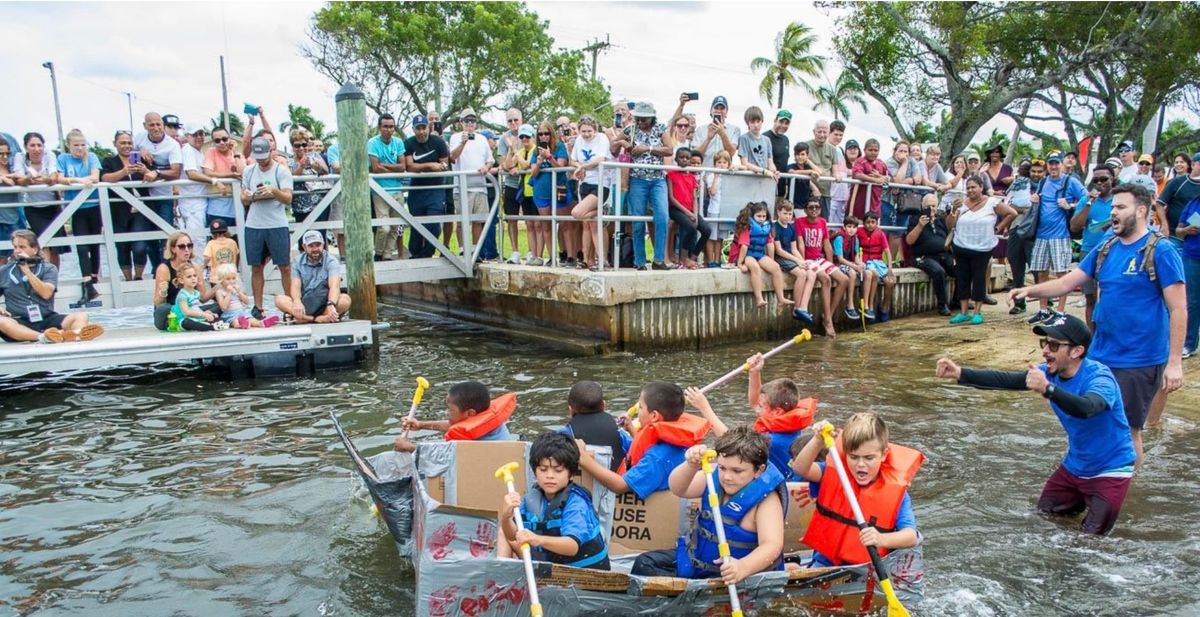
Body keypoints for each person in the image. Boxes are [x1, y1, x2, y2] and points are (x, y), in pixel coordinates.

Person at [1010, 184, 1185, 465]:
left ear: (1141, 211)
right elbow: (1068, 282)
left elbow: (1178, 308)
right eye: (1113, 207)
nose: (1113, 212)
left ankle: (1124, 491)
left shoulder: (1161, 251)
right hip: (1101, 354)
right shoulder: (1106, 248)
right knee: (1093, 421)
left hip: (1139, 358)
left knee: (1128, 430)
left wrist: (1175, 361)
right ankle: (1092, 477)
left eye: (1121, 207)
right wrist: (1030, 291)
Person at [935, 314, 1135, 535]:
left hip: (1111, 470)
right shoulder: (1049, 373)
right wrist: (960, 373)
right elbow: (1005, 381)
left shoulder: (1099, 378)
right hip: (1074, 467)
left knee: (1090, 543)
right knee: (1041, 521)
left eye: (1054, 345)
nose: (1045, 350)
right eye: (1044, 343)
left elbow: (1087, 408)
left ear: (1076, 351)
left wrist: (1048, 390)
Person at [630, 425, 786, 584]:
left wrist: (743, 567)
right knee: (644, 563)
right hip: (697, 561)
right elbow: (678, 489)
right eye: (723, 468)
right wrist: (690, 466)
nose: (727, 477)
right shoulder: (713, 477)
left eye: (737, 471)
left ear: (759, 470)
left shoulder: (766, 501)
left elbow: (772, 545)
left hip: (731, 573)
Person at [790, 413, 923, 568]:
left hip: (868, 569)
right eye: (853, 457)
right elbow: (800, 468)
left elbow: (910, 536)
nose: (860, 464)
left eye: (868, 458)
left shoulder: (898, 495)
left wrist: (881, 539)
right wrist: (818, 440)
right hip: (825, 562)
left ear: (883, 455)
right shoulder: (834, 472)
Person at [579, 381, 711, 500]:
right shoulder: (675, 443)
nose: (637, 411)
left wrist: (584, 459)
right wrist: (630, 428)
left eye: (641, 407)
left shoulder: (657, 458)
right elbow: (646, 447)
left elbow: (620, 486)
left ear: (654, 416)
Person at [497, 432, 610, 569]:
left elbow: (572, 547)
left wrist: (536, 539)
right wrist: (506, 516)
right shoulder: (531, 499)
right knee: (503, 530)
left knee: (526, 537)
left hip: (581, 573)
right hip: (551, 563)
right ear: (535, 472)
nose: (550, 476)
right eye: (543, 469)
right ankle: (500, 577)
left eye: (558, 470)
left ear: (571, 474)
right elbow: (513, 535)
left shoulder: (576, 503)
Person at [0, 230, 103, 343]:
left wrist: (27, 272)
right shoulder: (5, 271)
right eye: (15, 247)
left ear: (34, 250)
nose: (17, 251)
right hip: (19, 321)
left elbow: (46, 293)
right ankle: (44, 337)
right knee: (2, 321)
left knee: (81, 316)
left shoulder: (48, 269)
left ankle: (76, 334)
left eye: (22, 247)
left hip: (47, 318)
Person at [948, 176, 1018, 325]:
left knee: (979, 278)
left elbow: (1012, 213)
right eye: (968, 188)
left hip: (983, 247)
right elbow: (950, 225)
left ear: (981, 187)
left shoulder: (992, 202)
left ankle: (977, 312)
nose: (970, 190)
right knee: (962, 279)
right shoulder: (961, 205)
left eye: (973, 187)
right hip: (961, 245)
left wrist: (999, 227)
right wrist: (953, 210)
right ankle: (964, 312)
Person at [1027, 152, 1086, 325]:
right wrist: (1034, 199)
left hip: (1060, 235)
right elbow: (1037, 201)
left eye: (1056, 163)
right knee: (1041, 272)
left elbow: (1086, 196)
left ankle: (1060, 311)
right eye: (1050, 164)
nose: (1053, 167)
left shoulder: (1070, 181)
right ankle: (1043, 309)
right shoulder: (1043, 182)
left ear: (1061, 164)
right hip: (1041, 234)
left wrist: (1071, 206)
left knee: (1062, 274)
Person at [611, 102, 672, 271]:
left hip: (657, 179)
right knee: (637, 221)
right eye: (638, 118)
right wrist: (622, 143)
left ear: (652, 118)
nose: (640, 122)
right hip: (637, 179)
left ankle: (659, 259)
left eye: (644, 119)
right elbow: (613, 149)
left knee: (662, 217)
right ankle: (639, 261)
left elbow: (670, 149)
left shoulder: (660, 128)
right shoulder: (630, 129)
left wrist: (649, 148)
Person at [240, 137, 294, 315]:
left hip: (277, 223)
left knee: (284, 265)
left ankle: (290, 302)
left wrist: (273, 191)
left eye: (264, 156)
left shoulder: (281, 171)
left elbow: (288, 198)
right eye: (258, 157)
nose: (261, 161)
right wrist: (251, 195)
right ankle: (258, 306)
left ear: (271, 152)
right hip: (254, 224)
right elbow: (243, 198)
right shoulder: (249, 171)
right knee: (256, 266)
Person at [394, 381, 516, 452]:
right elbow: (457, 426)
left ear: (470, 413)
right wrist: (420, 425)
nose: (447, 412)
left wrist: (408, 446)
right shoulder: (484, 419)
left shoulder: (476, 443)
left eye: (450, 410)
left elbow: (442, 456)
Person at [99, 130, 153, 282]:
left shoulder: (141, 158)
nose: (126, 146)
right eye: (122, 143)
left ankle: (138, 276)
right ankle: (128, 279)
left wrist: (145, 170)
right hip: (119, 210)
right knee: (122, 247)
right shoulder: (109, 161)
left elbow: (153, 175)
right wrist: (124, 172)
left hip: (141, 208)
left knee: (140, 246)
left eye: (129, 143)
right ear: (115, 144)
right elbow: (104, 178)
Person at [57, 129, 103, 302]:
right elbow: (60, 178)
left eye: (83, 144)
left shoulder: (91, 157)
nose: (80, 148)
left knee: (94, 245)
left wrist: (85, 180)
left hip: (94, 206)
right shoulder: (63, 159)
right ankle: (87, 282)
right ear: (69, 145)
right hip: (76, 208)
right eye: (76, 145)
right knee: (82, 247)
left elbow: (95, 177)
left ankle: (93, 278)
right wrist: (79, 181)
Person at [1069, 165, 1116, 328]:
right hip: (1089, 251)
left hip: (1114, 252)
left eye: (1104, 179)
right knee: (1090, 297)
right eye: (1096, 180)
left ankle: (1108, 333)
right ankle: (1092, 336)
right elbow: (1075, 226)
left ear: (1112, 179)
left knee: (1110, 296)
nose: (1099, 183)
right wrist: (1089, 203)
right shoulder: (1086, 200)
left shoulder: (1119, 199)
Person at [795, 199, 850, 337]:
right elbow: (800, 244)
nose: (814, 209)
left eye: (817, 207)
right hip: (807, 259)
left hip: (820, 259)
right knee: (826, 279)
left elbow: (827, 245)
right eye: (811, 207)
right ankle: (829, 322)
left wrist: (831, 265)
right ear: (806, 210)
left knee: (844, 279)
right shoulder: (800, 222)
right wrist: (803, 263)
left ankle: (828, 316)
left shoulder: (822, 222)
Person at [448, 108, 495, 263]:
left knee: (478, 221)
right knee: (462, 221)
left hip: (480, 186)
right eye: (467, 121)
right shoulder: (455, 137)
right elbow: (452, 157)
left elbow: (490, 160)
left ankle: (476, 251)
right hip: (462, 187)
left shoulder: (482, 139)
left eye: (472, 121)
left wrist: (486, 168)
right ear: (461, 122)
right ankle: (463, 251)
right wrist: (463, 142)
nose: (470, 124)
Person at [274, 230, 351, 324]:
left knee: (345, 300)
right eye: (311, 246)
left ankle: (301, 318)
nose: (315, 249)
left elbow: (334, 286)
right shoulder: (297, 261)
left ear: (323, 245)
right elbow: (295, 286)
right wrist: (297, 302)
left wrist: (331, 304)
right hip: (305, 303)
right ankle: (317, 319)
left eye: (318, 245)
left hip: (325, 303)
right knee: (279, 299)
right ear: (304, 247)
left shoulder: (331, 261)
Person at [134, 113, 183, 259]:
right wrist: (138, 152)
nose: (156, 128)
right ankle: (156, 269)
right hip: (144, 195)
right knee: (149, 238)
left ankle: (166, 267)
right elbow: (132, 163)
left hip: (164, 195)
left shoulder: (172, 144)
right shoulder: (139, 139)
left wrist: (156, 173)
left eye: (158, 124)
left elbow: (176, 172)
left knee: (166, 235)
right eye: (151, 125)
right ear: (145, 126)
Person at [403, 114, 451, 260]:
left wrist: (436, 167)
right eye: (418, 128)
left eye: (424, 128)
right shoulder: (409, 143)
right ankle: (416, 254)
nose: (421, 132)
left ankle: (427, 253)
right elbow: (410, 166)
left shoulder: (438, 142)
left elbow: (444, 164)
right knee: (416, 224)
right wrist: (430, 165)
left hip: (435, 188)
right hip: (416, 189)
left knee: (434, 224)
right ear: (413, 129)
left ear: (428, 128)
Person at [11, 133, 63, 267]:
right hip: (33, 207)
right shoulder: (20, 157)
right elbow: (19, 179)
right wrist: (28, 179)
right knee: (43, 243)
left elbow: (53, 176)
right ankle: (44, 275)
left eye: (39, 145)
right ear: (25, 147)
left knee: (55, 248)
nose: (36, 149)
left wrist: (45, 180)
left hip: (53, 205)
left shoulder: (49, 155)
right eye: (32, 145)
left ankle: (54, 279)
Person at [569, 116, 612, 270]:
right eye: (583, 131)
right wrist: (578, 166)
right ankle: (590, 260)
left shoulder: (601, 138)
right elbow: (572, 159)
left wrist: (583, 167)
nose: (586, 134)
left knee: (577, 213)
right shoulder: (579, 140)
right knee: (590, 224)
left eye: (589, 131)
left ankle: (602, 259)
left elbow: (601, 158)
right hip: (584, 184)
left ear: (595, 129)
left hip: (600, 184)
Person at [731, 202, 792, 309]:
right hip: (747, 255)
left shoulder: (766, 226)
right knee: (755, 268)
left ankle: (781, 299)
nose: (762, 218)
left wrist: (771, 260)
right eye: (758, 216)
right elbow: (744, 246)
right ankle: (759, 299)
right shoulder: (748, 226)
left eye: (764, 216)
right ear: (752, 216)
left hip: (759, 254)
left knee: (776, 268)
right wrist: (740, 263)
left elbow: (770, 245)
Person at [905, 193, 956, 316]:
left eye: (933, 206)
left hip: (943, 254)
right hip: (923, 256)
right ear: (922, 207)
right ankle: (942, 305)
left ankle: (957, 301)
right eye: (928, 206)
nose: (931, 209)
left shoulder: (940, 219)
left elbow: (950, 232)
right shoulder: (916, 219)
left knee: (962, 268)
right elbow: (909, 241)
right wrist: (920, 226)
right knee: (939, 272)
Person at [561, 380, 627, 473]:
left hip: (577, 486)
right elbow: (633, 450)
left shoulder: (563, 434)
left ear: (570, 410)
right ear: (604, 405)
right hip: (614, 483)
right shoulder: (618, 431)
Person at [529, 120, 570, 266]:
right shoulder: (535, 151)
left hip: (558, 189)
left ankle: (567, 255)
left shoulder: (559, 147)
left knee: (564, 224)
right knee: (546, 225)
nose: (543, 137)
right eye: (540, 134)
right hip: (541, 192)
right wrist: (539, 163)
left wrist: (549, 157)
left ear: (551, 134)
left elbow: (561, 166)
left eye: (546, 133)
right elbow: (533, 174)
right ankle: (552, 256)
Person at [368, 114, 407, 261]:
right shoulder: (372, 143)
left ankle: (388, 255)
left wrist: (383, 166)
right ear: (379, 128)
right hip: (379, 190)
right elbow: (375, 168)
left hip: (397, 189)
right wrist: (393, 169)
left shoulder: (398, 142)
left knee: (396, 226)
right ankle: (378, 253)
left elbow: (403, 166)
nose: (388, 129)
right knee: (384, 227)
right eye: (385, 126)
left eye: (391, 126)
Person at [666, 147, 710, 269]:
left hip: (691, 210)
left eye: (687, 158)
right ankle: (683, 258)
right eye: (681, 157)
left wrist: (695, 214)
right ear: (676, 159)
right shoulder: (671, 174)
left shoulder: (692, 177)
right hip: (676, 209)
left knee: (706, 230)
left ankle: (692, 258)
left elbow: (694, 197)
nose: (684, 160)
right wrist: (687, 213)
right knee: (691, 227)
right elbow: (672, 198)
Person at [772, 200, 816, 324]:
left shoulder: (791, 228)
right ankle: (796, 309)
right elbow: (779, 250)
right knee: (801, 274)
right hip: (780, 258)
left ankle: (803, 307)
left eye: (790, 214)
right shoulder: (775, 228)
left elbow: (794, 249)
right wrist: (797, 261)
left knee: (811, 273)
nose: (787, 216)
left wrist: (802, 261)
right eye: (785, 213)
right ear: (778, 212)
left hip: (791, 256)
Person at [288, 128, 330, 247]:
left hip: (319, 204)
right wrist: (301, 167)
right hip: (300, 206)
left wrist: (312, 165)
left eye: (304, 144)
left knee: (320, 237)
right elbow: (289, 178)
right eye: (297, 145)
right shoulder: (289, 160)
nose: (301, 148)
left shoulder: (315, 156)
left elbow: (325, 171)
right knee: (304, 240)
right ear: (292, 146)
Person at [178, 124, 212, 256]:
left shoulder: (198, 152)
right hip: (192, 202)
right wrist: (214, 181)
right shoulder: (188, 150)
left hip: (200, 199)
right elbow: (191, 173)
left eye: (201, 134)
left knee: (201, 237)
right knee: (197, 239)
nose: (199, 137)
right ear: (187, 137)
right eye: (195, 135)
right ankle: (199, 272)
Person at [201, 126, 245, 230]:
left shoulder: (237, 154)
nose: (221, 142)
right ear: (213, 142)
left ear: (230, 139)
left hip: (238, 206)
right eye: (217, 140)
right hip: (217, 207)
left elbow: (243, 173)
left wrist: (235, 153)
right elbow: (207, 172)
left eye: (225, 139)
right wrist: (230, 175)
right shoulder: (211, 152)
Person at [857, 212, 896, 322]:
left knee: (890, 281)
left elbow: (887, 252)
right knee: (874, 275)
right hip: (866, 262)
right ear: (864, 223)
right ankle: (869, 307)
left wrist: (889, 268)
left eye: (873, 222)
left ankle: (885, 308)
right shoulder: (859, 233)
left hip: (878, 262)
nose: (870, 225)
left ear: (877, 223)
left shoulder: (880, 234)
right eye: (868, 222)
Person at [1157, 152, 1200, 247]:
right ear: (1192, 164)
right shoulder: (1178, 182)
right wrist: (1164, 225)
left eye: (1182, 162)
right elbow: (1159, 204)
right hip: (1172, 235)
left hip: (1194, 240)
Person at [214, 263, 276, 328]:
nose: (231, 281)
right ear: (221, 280)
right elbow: (223, 307)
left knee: (251, 319)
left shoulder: (237, 289)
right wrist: (229, 293)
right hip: (230, 313)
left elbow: (246, 301)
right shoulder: (220, 292)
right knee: (235, 322)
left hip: (241, 311)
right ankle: (243, 324)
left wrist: (239, 292)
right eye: (228, 279)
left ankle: (261, 323)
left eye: (233, 278)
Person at [1177, 193, 1200, 358]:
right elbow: (1178, 231)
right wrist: (1185, 230)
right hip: (1192, 256)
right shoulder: (1193, 202)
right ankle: (1189, 343)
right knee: (1191, 300)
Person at [691, 95, 741, 168]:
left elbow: (731, 153)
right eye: (716, 108)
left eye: (722, 108)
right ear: (711, 110)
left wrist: (722, 134)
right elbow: (695, 155)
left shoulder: (735, 129)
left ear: (726, 112)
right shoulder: (700, 129)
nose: (719, 111)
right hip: (705, 173)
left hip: (725, 174)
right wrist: (708, 139)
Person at [171, 262, 223, 331]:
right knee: (187, 322)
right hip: (185, 318)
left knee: (215, 316)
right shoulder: (182, 295)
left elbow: (196, 308)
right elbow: (187, 312)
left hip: (197, 317)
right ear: (181, 280)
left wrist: (206, 313)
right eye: (189, 277)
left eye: (195, 276)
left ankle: (211, 323)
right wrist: (203, 315)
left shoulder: (196, 293)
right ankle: (210, 327)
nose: (193, 278)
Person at [832, 215, 865, 320]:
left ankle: (864, 306)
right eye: (849, 226)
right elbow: (840, 259)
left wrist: (860, 264)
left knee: (865, 271)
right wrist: (855, 267)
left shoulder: (855, 239)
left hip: (849, 263)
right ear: (844, 227)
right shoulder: (839, 238)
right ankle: (850, 304)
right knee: (852, 273)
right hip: (837, 264)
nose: (851, 230)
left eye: (854, 227)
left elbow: (856, 256)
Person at [703, 151, 732, 267]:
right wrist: (716, 177)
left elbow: (742, 166)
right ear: (714, 164)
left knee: (720, 237)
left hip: (725, 210)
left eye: (725, 162)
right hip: (714, 210)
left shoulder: (729, 175)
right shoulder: (711, 176)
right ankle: (710, 260)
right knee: (712, 237)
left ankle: (718, 259)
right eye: (719, 162)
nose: (722, 164)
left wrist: (734, 167)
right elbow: (713, 192)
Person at [849, 138, 889, 221]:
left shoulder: (881, 163)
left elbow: (889, 178)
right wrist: (875, 180)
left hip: (876, 204)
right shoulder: (860, 161)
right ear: (864, 150)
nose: (873, 152)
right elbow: (857, 174)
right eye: (870, 150)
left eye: (876, 150)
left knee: (874, 228)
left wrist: (880, 177)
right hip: (860, 203)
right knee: (859, 226)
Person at [738, 106, 780, 182]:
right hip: (749, 180)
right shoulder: (744, 138)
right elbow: (744, 163)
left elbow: (770, 162)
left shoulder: (767, 140)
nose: (756, 125)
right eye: (752, 122)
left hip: (764, 181)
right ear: (748, 123)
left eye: (758, 121)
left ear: (762, 121)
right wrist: (764, 171)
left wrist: (774, 171)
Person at [806, 120, 837, 218]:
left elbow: (835, 169)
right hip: (809, 191)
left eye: (825, 132)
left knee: (824, 221)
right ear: (813, 131)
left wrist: (837, 176)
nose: (822, 135)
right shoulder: (806, 146)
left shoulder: (832, 149)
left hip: (826, 192)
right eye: (819, 132)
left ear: (828, 133)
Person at [830, 136, 859, 226]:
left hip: (855, 201)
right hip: (837, 199)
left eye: (855, 148)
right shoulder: (840, 161)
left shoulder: (861, 163)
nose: (852, 150)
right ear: (845, 151)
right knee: (832, 225)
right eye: (850, 148)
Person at [202, 219, 239, 285]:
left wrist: (203, 267)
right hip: (231, 275)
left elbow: (207, 257)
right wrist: (235, 266)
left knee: (218, 294)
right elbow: (237, 254)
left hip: (216, 277)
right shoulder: (232, 242)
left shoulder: (211, 243)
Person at [765, 110, 792, 197]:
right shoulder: (765, 137)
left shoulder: (786, 139)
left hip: (781, 188)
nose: (783, 125)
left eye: (786, 123)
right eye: (781, 122)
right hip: (767, 184)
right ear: (775, 120)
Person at [785, 143, 820, 210]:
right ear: (794, 156)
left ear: (807, 155)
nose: (800, 157)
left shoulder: (807, 167)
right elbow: (792, 172)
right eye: (797, 154)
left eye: (803, 154)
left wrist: (809, 161)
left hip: (806, 204)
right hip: (794, 203)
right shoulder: (791, 166)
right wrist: (809, 172)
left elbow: (819, 172)